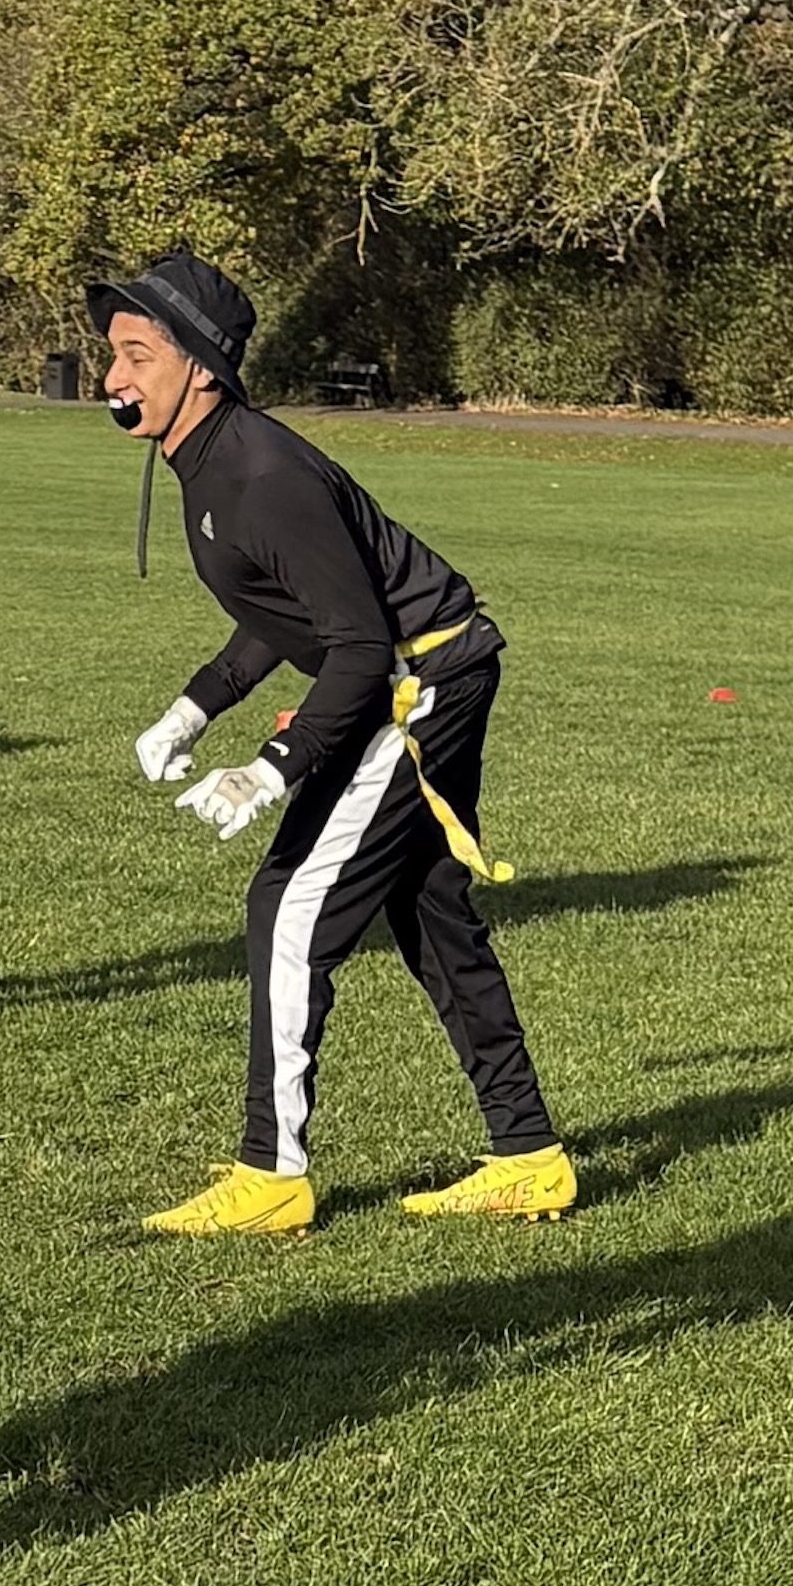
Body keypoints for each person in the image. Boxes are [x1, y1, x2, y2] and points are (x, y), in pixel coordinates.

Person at [82, 252, 576, 1239]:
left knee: (291, 907)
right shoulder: (210, 457)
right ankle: (531, 1155)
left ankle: (272, 1173)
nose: (113, 378)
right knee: (429, 912)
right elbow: (285, 608)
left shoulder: (259, 470)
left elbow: (356, 643)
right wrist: (195, 706)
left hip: (423, 676)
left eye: (137, 354)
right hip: (412, 667)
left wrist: (271, 768)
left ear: (203, 369)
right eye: (111, 356)